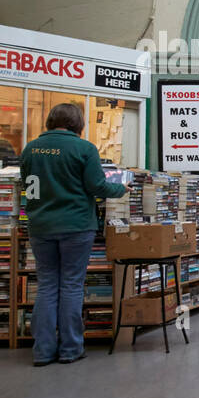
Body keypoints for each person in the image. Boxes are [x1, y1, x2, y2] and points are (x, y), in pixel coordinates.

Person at [20, 103, 127, 366]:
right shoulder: (84, 148)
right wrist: (121, 188)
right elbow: (96, 186)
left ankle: (42, 351)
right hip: (76, 225)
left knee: (46, 286)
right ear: (77, 123)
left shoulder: (30, 148)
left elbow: (27, 184)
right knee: (71, 285)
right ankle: (70, 349)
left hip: (40, 225)